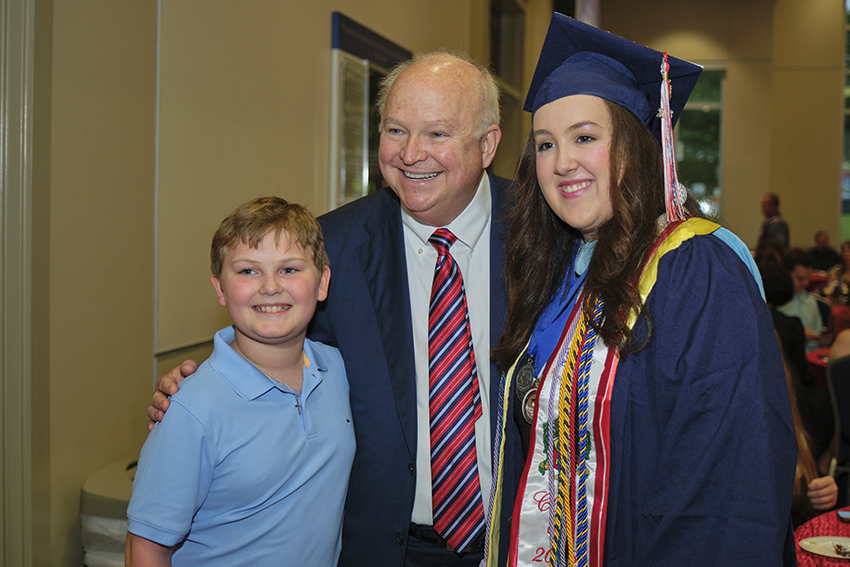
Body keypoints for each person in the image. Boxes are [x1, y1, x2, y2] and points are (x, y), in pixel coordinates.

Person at [148, 52, 514, 567]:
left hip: (523, 544)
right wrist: (192, 394)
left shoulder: (548, 240)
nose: (411, 154)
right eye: (395, 130)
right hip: (382, 549)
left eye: (437, 134)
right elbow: (272, 340)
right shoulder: (329, 247)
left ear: (487, 144)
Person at [484, 14, 796, 567]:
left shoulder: (697, 269)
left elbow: (724, 481)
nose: (563, 162)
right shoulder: (559, 272)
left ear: (635, 145)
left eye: (585, 137)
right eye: (545, 145)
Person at [125, 197, 355, 566]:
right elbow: (146, 548)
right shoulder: (191, 409)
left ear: (322, 282)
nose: (269, 286)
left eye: (290, 269)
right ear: (219, 288)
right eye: (248, 271)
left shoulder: (340, 370)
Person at [778, 248, 827, 351]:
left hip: (808, 357)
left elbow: (817, 335)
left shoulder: (811, 301)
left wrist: (821, 339)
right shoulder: (777, 303)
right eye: (800, 278)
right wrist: (800, 336)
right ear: (786, 274)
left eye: (808, 278)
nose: (806, 283)